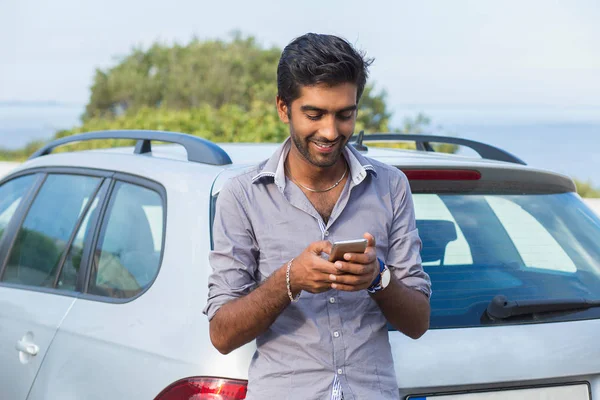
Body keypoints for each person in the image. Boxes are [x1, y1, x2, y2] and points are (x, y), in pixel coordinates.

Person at [203, 33, 431, 400]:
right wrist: (289, 279)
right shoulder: (242, 195)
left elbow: (418, 322)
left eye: (345, 115)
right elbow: (222, 335)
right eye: (314, 114)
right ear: (283, 107)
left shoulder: (391, 187)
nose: (330, 131)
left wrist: (377, 278)